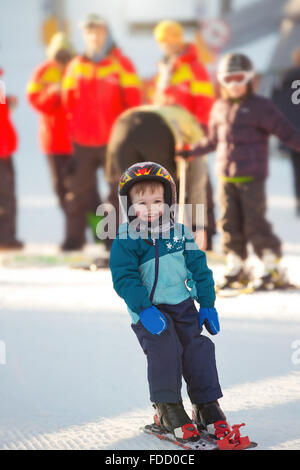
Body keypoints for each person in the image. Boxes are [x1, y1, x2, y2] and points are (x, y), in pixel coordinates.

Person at [109, 161, 252, 450]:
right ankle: (167, 409)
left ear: (169, 202)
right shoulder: (127, 238)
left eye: (157, 201)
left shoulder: (180, 233)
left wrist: (208, 304)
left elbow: (198, 268)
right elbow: (124, 278)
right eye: (141, 202)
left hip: (183, 305)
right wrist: (144, 309)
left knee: (197, 349)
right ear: (129, 205)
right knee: (165, 350)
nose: (150, 208)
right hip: (149, 312)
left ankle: (206, 406)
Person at [178, 53, 300, 290]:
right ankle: (237, 264)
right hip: (226, 176)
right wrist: (190, 151)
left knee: (255, 222)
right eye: (228, 80)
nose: (234, 86)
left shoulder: (261, 107)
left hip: (252, 176)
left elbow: (287, 131)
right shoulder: (219, 108)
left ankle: (271, 266)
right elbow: (212, 140)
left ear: (250, 80)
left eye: (239, 79)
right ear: (222, 82)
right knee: (229, 223)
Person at [62, 14, 141, 252]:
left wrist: (127, 136)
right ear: (84, 35)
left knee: (115, 194)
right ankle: (74, 242)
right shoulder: (75, 65)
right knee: (78, 192)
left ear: (106, 34)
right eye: (89, 33)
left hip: (113, 141)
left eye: (98, 32)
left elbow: (134, 102)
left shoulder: (121, 63)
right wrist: (73, 133)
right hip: (83, 141)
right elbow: (68, 102)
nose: (94, 37)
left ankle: (111, 242)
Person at [106, 103, 209, 248]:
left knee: (130, 191)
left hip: (121, 128)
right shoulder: (194, 130)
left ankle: (117, 245)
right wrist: (200, 227)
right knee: (163, 192)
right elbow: (196, 184)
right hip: (156, 130)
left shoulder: (165, 112)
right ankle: (169, 246)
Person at [152, 20, 216, 249]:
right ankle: (170, 235)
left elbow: (204, 102)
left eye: (171, 39)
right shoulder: (164, 68)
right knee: (169, 185)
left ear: (178, 39)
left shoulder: (194, 66)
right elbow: (159, 102)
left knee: (197, 184)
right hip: (167, 135)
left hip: (191, 135)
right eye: (162, 41)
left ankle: (202, 236)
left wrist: (198, 136)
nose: (167, 45)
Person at [27, 32, 74, 246]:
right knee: (61, 191)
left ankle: (96, 235)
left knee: (83, 191)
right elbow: (35, 100)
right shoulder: (44, 71)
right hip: (54, 141)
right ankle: (74, 235)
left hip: (76, 141)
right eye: (58, 54)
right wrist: (53, 92)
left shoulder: (76, 68)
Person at [271, 47, 300, 216]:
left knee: (297, 171)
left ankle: (299, 203)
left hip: (292, 135)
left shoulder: (284, 80)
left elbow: (275, 105)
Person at [0, 67, 23, 250]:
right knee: (5, 196)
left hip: (5, 149)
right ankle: (5, 238)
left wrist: (7, 103)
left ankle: (7, 237)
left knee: (7, 196)